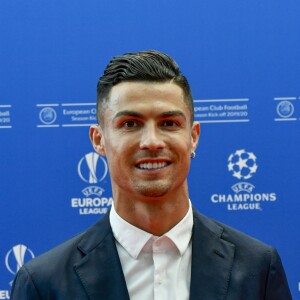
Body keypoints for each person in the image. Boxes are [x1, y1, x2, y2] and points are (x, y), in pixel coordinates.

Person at [10, 50, 292, 300]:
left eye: (169, 123)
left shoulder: (258, 268)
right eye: (130, 124)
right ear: (99, 140)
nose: (152, 142)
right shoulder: (44, 284)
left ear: (193, 137)